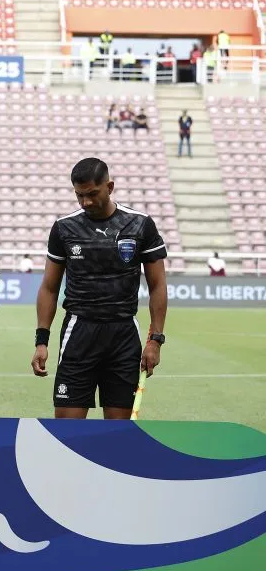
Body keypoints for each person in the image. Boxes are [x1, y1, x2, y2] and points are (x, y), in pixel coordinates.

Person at [31, 157, 168, 420]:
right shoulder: (64, 228)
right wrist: (41, 341)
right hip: (79, 332)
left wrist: (155, 341)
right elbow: (49, 287)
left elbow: (158, 286)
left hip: (123, 334)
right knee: (67, 430)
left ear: (110, 187)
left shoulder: (140, 224)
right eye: (79, 195)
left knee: (118, 433)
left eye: (92, 194)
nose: (86, 202)